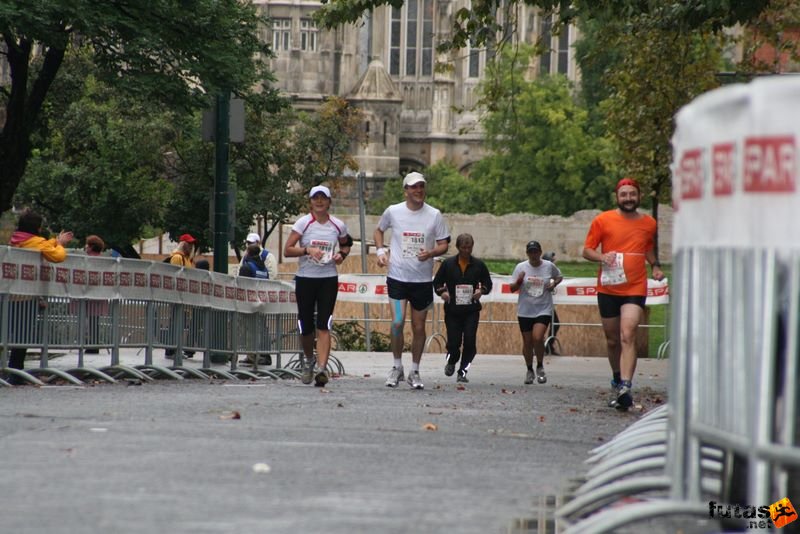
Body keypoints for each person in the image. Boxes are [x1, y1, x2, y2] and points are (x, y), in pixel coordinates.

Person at [582, 177, 665, 411]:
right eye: (624, 195)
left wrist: (655, 266)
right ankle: (617, 379)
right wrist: (601, 257)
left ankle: (626, 387)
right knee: (612, 340)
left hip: (635, 287)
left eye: (632, 194)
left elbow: (647, 247)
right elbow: (587, 250)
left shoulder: (649, 223)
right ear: (617, 197)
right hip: (608, 287)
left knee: (628, 334)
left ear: (639, 196)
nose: (628, 198)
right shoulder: (603, 220)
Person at [374, 171, 450, 390]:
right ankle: (397, 366)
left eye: (421, 187)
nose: (418, 191)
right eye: (414, 187)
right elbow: (378, 231)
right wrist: (380, 252)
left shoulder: (434, 214)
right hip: (398, 276)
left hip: (422, 280)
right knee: (397, 321)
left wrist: (432, 252)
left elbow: (444, 243)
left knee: (418, 327)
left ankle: (414, 370)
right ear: (405, 190)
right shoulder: (393, 211)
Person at [283, 185, 351, 387]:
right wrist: (307, 250)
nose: (319, 202)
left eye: (323, 198)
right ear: (310, 202)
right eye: (315, 198)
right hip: (305, 278)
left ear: (329, 202)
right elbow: (287, 250)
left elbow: (346, 244)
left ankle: (322, 369)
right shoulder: (304, 223)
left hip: (328, 278)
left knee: (324, 324)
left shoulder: (337, 225)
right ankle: (308, 361)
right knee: (306, 325)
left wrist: (342, 255)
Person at [5, 210, 72, 381]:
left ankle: (10, 372)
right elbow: (57, 256)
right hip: (26, 296)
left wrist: (54, 241)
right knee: (22, 335)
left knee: (7, 332)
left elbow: (43, 245)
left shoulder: (15, 240)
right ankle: (15, 372)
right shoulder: (36, 242)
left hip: (8, 293)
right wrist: (61, 245)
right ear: (38, 227)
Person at [432, 233, 492, 383]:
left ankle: (463, 371)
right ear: (458, 247)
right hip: (453, 310)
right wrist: (443, 292)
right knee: (454, 342)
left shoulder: (479, 265)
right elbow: (437, 283)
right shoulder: (448, 264)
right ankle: (452, 359)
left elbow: (488, 283)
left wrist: (481, 291)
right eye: (464, 247)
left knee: (470, 341)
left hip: (471, 310)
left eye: (469, 247)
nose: (467, 250)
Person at [509, 240, 563, 385]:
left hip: (543, 307)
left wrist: (553, 283)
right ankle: (529, 370)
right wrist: (519, 281)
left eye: (536, 252)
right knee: (527, 341)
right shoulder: (521, 267)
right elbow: (511, 288)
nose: (533, 255)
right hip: (525, 309)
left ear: (540, 252)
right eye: (530, 252)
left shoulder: (548, 266)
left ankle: (540, 365)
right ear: (527, 253)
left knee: (538, 337)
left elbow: (559, 276)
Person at [165, 233, 196, 359]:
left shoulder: (188, 259)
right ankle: (171, 350)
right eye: (189, 243)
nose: (191, 246)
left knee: (180, 323)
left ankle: (175, 349)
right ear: (184, 244)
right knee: (175, 323)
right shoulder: (178, 257)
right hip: (178, 296)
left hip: (184, 297)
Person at [82, 235, 108, 354]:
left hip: (88, 294)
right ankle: (93, 343)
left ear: (91, 246)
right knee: (94, 320)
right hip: (100, 294)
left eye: (87, 244)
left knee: (90, 319)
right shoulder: (103, 260)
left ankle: (92, 345)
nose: (85, 246)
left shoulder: (87, 260)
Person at [542, 251, 561, 354]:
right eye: (552, 260)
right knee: (542, 325)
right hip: (542, 303)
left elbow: (559, 277)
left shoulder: (553, 270)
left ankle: (549, 346)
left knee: (555, 323)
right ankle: (542, 346)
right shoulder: (545, 269)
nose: (554, 262)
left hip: (548, 302)